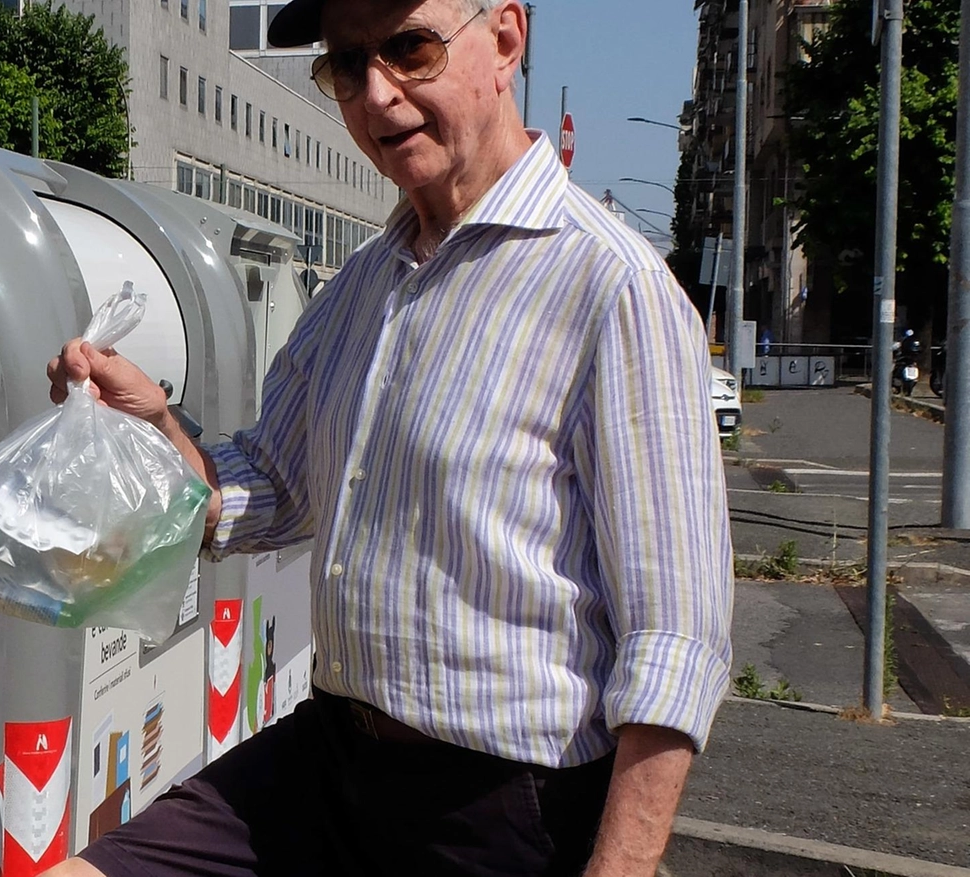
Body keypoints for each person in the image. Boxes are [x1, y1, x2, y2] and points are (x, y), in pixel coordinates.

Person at [43, 0, 732, 874]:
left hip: (501, 803)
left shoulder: (611, 286)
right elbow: (268, 487)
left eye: (412, 49)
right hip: (333, 752)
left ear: (507, 40)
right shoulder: (362, 285)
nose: (378, 95)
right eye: (347, 64)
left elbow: (675, 637)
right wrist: (156, 424)